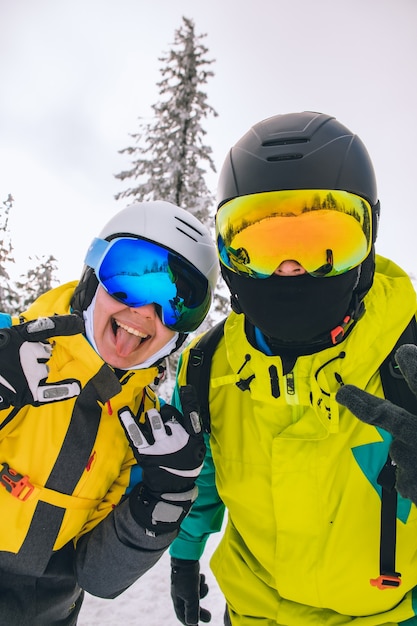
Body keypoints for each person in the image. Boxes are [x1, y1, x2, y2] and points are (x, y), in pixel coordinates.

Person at [168, 112, 417, 626]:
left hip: (383, 615)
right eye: (257, 246)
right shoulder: (207, 367)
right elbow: (201, 471)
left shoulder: (408, 357)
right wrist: (184, 553)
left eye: (325, 241)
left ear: (369, 241)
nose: (290, 269)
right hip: (255, 612)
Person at [0, 200, 219, 626]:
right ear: (92, 275)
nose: (144, 312)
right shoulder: (10, 352)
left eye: (177, 303)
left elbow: (98, 576)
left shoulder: (145, 435)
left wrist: (162, 503)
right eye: (129, 279)